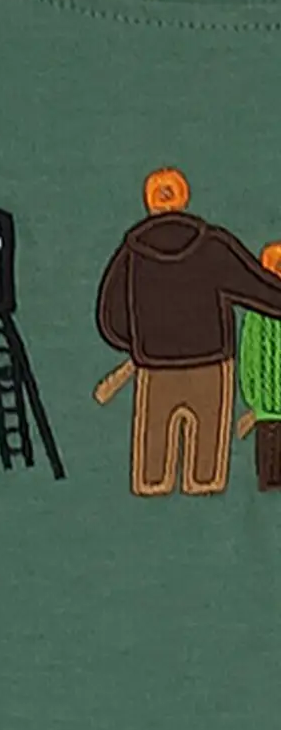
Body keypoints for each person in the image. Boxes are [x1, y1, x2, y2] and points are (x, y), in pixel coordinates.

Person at [93, 169, 281, 495]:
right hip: (210, 361)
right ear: (183, 197)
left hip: (155, 366)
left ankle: (152, 483)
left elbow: (111, 316)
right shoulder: (212, 245)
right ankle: (203, 482)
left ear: (150, 202)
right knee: (207, 450)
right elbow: (255, 286)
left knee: (154, 445)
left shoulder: (133, 253)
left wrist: (137, 344)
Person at [240, 242, 281, 491]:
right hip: (266, 410)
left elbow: (249, 357)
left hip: (265, 408)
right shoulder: (257, 313)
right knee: (270, 472)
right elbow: (250, 356)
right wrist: (254, 401)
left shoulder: (256, 313)